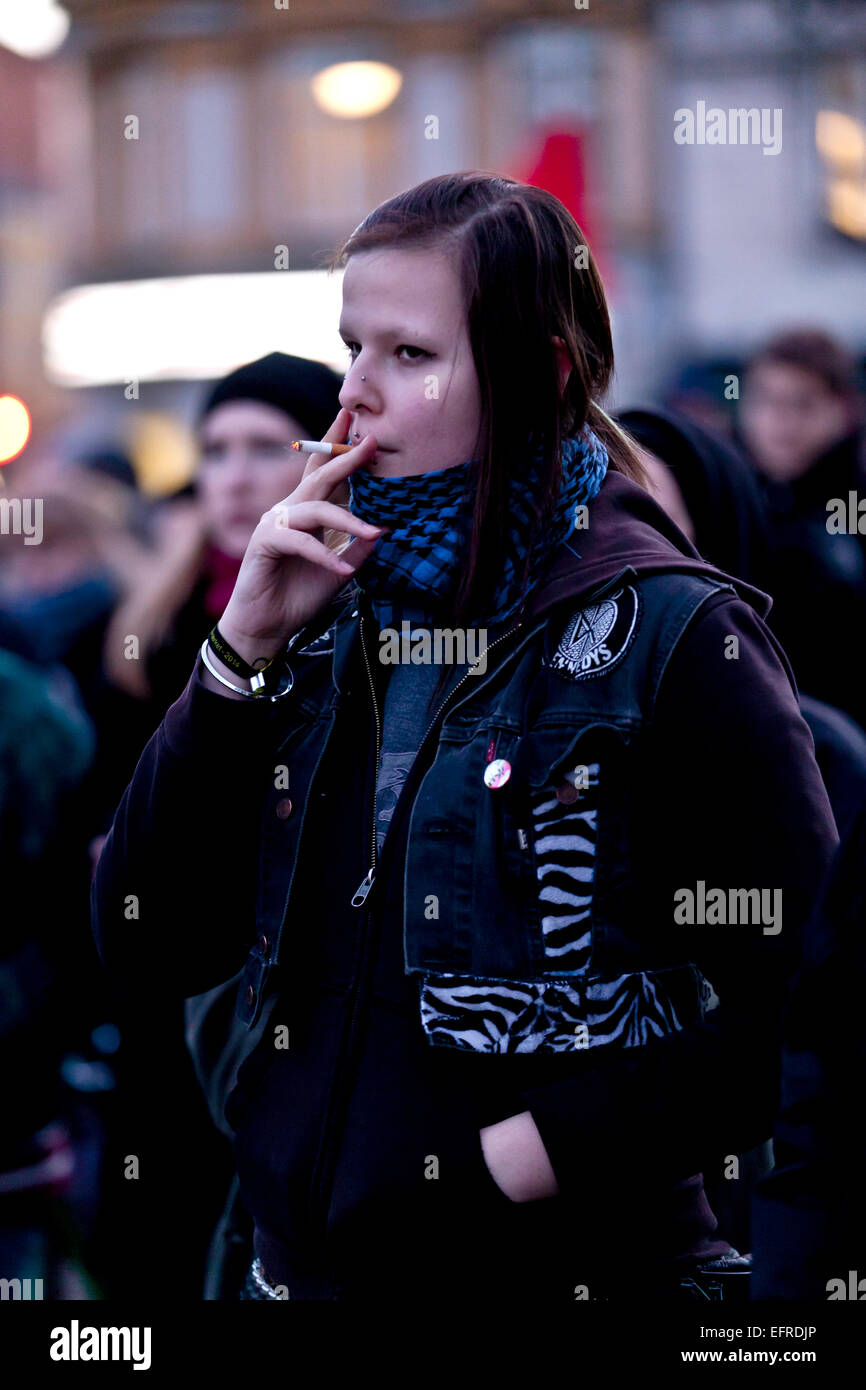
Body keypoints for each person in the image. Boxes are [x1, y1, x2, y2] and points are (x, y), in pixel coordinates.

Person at [91, 172, 838, 1303]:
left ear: (536, 374)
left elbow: (800, 1000)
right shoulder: (326, 601)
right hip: (295, 1273)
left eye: (409, 354)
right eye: (351, 347)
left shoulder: (674, 634)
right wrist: (236, 655)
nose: (354, 396)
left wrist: (530, 1151)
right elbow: (150, 939)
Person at [737, 327, 866, 730]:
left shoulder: (853, 507)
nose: (781, 421)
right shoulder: (732, 497)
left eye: (803, 404)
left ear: (843, 409)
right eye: (767, 400)